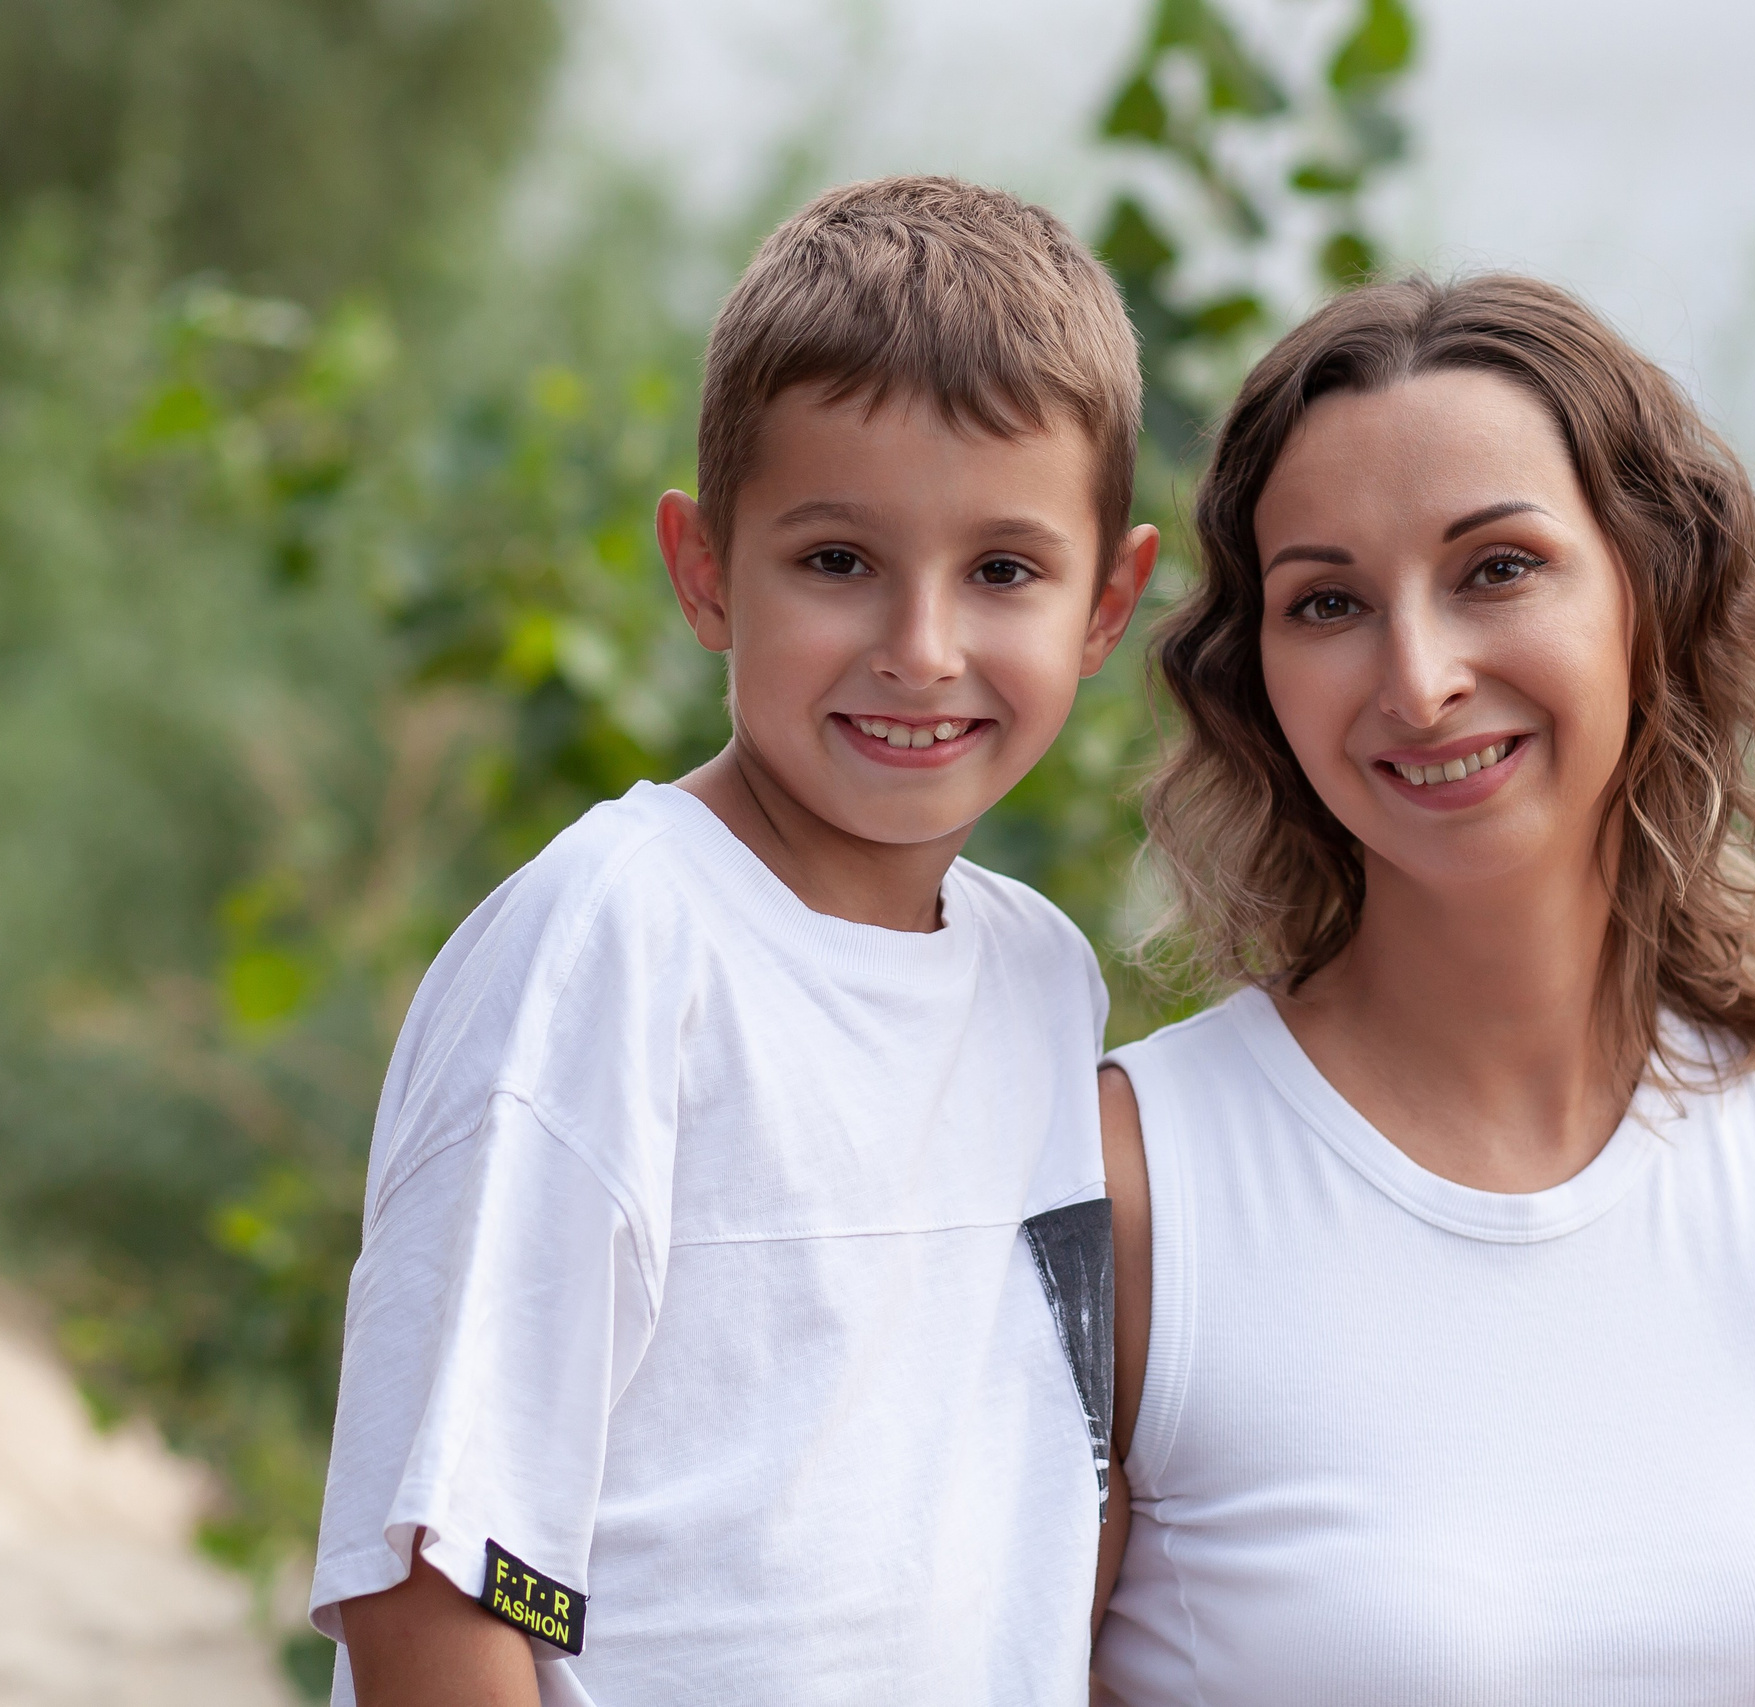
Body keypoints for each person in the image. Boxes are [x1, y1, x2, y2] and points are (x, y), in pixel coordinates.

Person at [1089, 275, 1755, 1706]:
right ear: (1257, 675)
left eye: (1497, 569)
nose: (1420, 677)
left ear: (1650, 586)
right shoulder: (1131, 1182)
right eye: (1327, 602)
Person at [307, 176, 1157, 1707]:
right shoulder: (618, 942)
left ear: (1109, 607)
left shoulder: (1043, 978)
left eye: (1005, 572)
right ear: (705, 569)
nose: (921, 647)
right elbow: (438, 1565)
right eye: (837, 561)